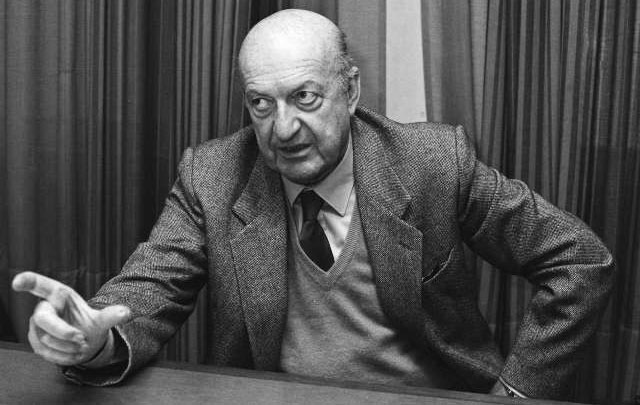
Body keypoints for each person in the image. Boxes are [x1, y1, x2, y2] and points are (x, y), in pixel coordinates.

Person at [12, 9, 614, 400]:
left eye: (304, 97)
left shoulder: (431, 163)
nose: (283, 128)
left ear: (350, 90)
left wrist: (516, 395)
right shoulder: (212, 176)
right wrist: (93, 339)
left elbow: (581, 260)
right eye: (261, 103)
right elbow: (148, 290)